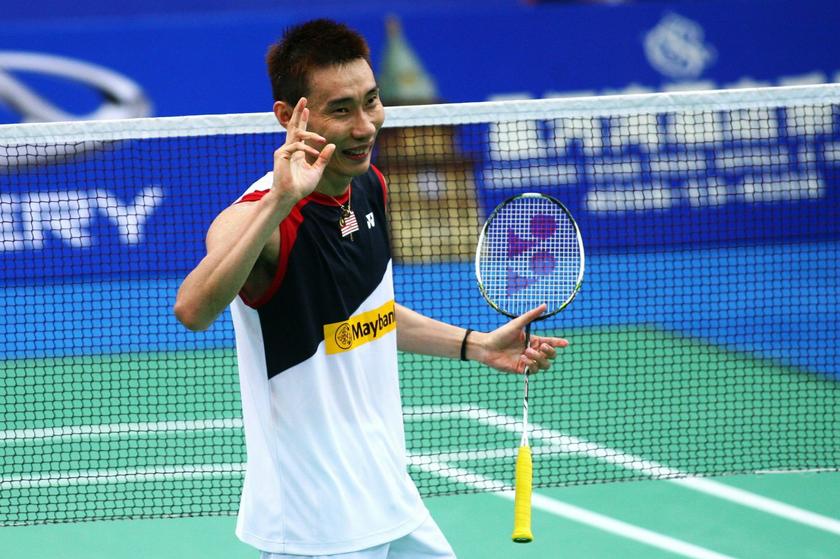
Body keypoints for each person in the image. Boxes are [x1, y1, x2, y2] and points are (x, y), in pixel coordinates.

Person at [174, 18, 568, 559]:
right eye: (341, 109)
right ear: (290, 117)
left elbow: (366, 315)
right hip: (316, 525)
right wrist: (280, 202)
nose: (365, 126)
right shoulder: (255, 217)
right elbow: (193, 309)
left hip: (387, 492)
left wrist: (475, 344)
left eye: (372, 101)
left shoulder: (369, 185)